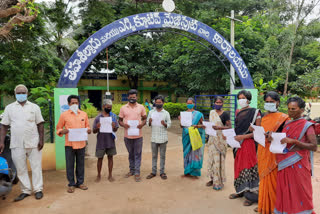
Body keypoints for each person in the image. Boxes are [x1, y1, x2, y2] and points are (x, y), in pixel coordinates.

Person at [269, 97, 317, 214]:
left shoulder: (307, 125)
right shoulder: (286, 123)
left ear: (301, 110)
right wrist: (272, 137)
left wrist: (294, 142)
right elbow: (283, 139)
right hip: (284, 162)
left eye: (294, 109)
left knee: (300, 190)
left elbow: (314, 147)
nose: (291, 112)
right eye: (289, 109)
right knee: (285, 189)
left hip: (299, 163)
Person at [0, 84, 44, 201]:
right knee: (20, 168)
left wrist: (41, 140)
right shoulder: (9, 108)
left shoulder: (34, 107)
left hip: (33, 142)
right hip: (16, 143)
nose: (21, 95)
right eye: (18, 93)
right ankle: (26, 190)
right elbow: (4, 126)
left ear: (27, 93)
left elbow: (40, 124)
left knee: (36, 167)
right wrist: (2, 142)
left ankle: (38, 189)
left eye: (23, 92)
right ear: (15, 94)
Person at [255, 92, 289, 214]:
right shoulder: (263, 117)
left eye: (272, 102)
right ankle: (264, 206)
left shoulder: (284, 118)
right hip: (263, 151)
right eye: (267, 102)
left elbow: (286, 136)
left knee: (274, 183)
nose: (269, 104)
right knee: (264, 180)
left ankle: (275, 208)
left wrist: (273, 136)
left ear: (278, 102)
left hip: (275, 154)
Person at [229, 90, 261, 206]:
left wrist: (244, 136)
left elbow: (258, 132)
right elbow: (236, 129)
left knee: (248, 167)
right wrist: (228, 135)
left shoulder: (255, 112)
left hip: (249, 144)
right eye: (239, 98)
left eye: (243, 98)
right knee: (238, 167)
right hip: (238, 144)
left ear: (248, 99)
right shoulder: (238, 111)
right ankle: (240, 191)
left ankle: (251, 195)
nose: (241, 100)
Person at [56, 95, 91, 193]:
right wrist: (62, 131)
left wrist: (88, 130)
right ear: (68, 104)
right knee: (70, 165)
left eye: (76, 103)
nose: (75, 105)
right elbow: (58, 128)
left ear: (79, 103)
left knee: (80, 164)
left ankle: (80, 182)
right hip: (69, 144)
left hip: (81, 144)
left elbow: (87, 126)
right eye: (72, 103)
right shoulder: (64, 115)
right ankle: (71, 184)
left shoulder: (84, 114)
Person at [119, 89, 147, 182]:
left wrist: (142, 125)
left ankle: (137, 172)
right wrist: (124, 125)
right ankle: (131, 170)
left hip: (138, 136)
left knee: (137, 154)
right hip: (127, 136)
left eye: (134, 97)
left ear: (136, 97)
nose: (132, 98)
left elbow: (144, 119)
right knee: (131, 154)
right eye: (130, 97)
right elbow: (120, 120)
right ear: (128, 97)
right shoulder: (123, 108)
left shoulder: (141, 107)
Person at [205, 96, 231, 190]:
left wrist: (219, 128)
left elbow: (229, 126)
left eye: (220, 103)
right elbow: (210, 124)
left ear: (222, 103)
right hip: (212, 140)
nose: (218, 104)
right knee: (211, 160)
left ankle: (218, 181)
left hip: (220, 140)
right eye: (217, 102)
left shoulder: (225, 114)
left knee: (218, 161)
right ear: (214, 103)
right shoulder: (212, 112)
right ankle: (212, 179)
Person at [146, 95, 171, 180]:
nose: (158, 104)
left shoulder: (166, 113)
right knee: (154, 155)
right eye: (156, 102)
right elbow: (147, 124)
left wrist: (165, 124)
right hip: (154, 137)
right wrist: (149, 122)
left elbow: (170, 124)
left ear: (163, 103)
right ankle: (153, 172)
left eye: (160, 102)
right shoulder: (151, 112)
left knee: (162, 156)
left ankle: (162, 172)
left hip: (163, 137)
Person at [92, 99, 119, 182]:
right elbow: (94, 131)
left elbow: (115, 130)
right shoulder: (98, 118)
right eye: (107, 107)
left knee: (110, 157)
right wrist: (97, 127)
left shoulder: (113, 117)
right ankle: (98, 175)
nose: (109, 108)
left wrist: (114, 126)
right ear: (103, 106)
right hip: (101, 141)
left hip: (110, 141)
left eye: (110, 107)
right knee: (100, 158)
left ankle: (110, 175)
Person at [179, 97, 205, 178]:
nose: (189, 105)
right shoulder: (183, 113)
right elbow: (181, 126)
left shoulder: (198, 114)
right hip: (186, 136)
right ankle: (187, 171)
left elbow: (203, 125)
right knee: (186, 153)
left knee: (195, 153)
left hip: (195, 136)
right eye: (188, 103)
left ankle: (195, 173)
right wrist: (180, 120)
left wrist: (196, 126)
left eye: (191, 103)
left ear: (194, 104)